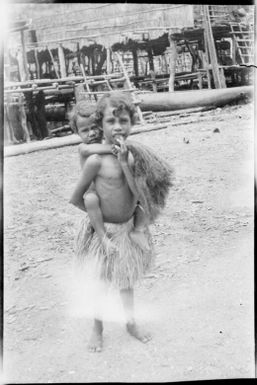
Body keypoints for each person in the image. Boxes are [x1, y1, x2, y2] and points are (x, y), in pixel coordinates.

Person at [69, 91, 173, 352]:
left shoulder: (132, 156)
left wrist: (125, 163)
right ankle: (97, 328)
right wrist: (95, 221)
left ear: (132, 123)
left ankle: (130, 323)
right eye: (110, 122)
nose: (117, 127)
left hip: (127, 230)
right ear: (99, 125)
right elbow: (76, 197)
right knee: (101, 284)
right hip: (104, 231)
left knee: (126, 282)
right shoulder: (95, 160)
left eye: (124, 121)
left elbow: (138, 194)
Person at [69, 99, 150, 252]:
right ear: (77, 132)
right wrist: (112, 148)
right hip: (95, 196)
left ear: (101, 125)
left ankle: (137, 230)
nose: (92, 133)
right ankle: (102, 236)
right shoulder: (85, 148)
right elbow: (90, 150)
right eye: (85, 130)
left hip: (117, 201)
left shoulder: (108, 149)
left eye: (94, 128)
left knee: (145, 197)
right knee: (91, 199)